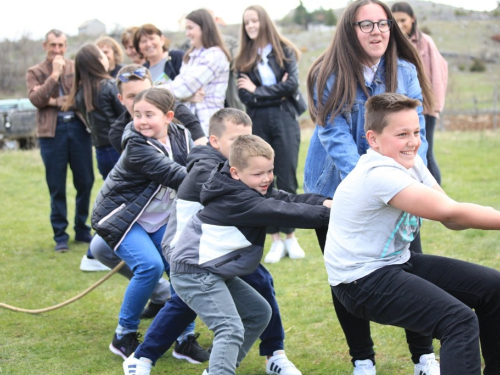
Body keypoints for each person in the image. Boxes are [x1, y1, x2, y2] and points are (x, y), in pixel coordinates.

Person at [303, 1, 437, 373]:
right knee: (345, 275)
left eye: (384, 23)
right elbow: (334, 135)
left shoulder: (406, 70)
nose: (377, 31)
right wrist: (371, 182)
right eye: (366, 24)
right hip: (336, 187)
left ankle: (423, 355)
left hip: (398, 184)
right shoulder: (326, 73)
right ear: (350, 29)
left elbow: (417, 134)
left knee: (410, 265)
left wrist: (407, 180)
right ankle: (362, 359)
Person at [326, 92, 500, 375]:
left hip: (396, 263)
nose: (413, 141)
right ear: (373, 139)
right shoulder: (378, 174)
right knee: (457, 321)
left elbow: (450, 215)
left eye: (417, 132)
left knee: (493, 288)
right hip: (359, 281)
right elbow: (451, 214)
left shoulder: (411, 162)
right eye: (402, 134)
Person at [124, 109, 303, 375]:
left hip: (220, 248)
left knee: (259, 290)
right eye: (235, 140)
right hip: (192, 251)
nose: (244, 146)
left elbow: (273, 198)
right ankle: (142, 357)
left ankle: (273, 353)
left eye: (248, 138)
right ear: (215, 142)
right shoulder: (210, 171)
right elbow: (264, 205)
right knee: (188, 301)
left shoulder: (241, 168)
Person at [168, 134, 332, 375]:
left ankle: (219, 368)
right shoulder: (238, 199)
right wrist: (337, 214)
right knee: (230, 328)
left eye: (269, 171)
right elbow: (285, 212)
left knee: (258, 313)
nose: (266, 179)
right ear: (235, 172)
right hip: (194, 272)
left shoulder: (249, 188)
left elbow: (289, 200)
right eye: (258, 174)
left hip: (211, 270)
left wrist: (328, 202)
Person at [91, 87, 206, 361]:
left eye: (148, 115)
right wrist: (229, 185)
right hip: (123, 218)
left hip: (161, 218)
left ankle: (184, 339)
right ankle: (124, 335)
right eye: (137, 114)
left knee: (181, 267)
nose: (140, 121)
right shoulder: (136, 146)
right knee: (150, 266)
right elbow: (179, 176)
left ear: (168, 116)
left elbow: (196, 163)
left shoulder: (182, 135)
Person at [236, 5, 308, 264]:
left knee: (287, 177)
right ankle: (275, 239)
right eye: (247, 23)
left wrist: (258, 90)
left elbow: (292, 85)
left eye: (254, 20)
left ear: (264, 21)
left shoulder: (284, 51)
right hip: (258, 120)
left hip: (284, 117)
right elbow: (244, 95)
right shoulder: (243, 57)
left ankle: (291, 236)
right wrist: (271, 91)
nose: (251, 26)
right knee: (262, 181)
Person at [26, 29, 94, 252]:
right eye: (53, 45)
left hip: (78, 128)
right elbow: (36, 99)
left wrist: (65, 101)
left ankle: (82, 228)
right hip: (51, 133)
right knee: (56, 184)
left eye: (61, 45)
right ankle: (60, 235)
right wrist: (54, 77)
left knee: (85, 181)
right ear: (45, 46)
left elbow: (85, 96)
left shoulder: (76, 67)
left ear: (66, 46)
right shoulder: (35, 71)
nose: (57, 49)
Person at [391, 1, 448, 185]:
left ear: (412, 19)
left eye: (403, 20)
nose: (399, 25)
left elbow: (438, 73)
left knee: (425, 151)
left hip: (425, 108)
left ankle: (436, 195)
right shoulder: (392, 43)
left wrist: (434, 107)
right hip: (401, 109)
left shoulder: (425, 43)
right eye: (395, 21)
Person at [161, 9, 231, 135]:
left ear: (204, 28)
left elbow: (184, 88)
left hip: (208, 123)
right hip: (189, 121)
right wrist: (186, 97)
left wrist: (155, 90)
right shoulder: (191, 55)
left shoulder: (215, 55)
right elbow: (181, 86)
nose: (187, 33)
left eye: (190, 28)